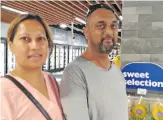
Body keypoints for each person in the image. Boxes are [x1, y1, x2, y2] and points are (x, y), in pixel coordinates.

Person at [60, 4, 128, 120]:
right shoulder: (75, 73)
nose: (108, 32)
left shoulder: (117, 73)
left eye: (113, 26)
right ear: (86, 32)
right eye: (101, 26)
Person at [1, 14, 63, 120]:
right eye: (25, 38)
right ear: (11, 45)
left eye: (40, 38)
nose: (34, 46)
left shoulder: (51, 80)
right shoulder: (3, 91)